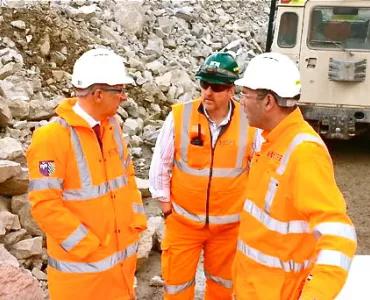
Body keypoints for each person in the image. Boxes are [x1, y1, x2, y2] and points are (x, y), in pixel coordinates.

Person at [232, 52, 357, 300]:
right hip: (254, 288)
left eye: (244, 94)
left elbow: (339, 236)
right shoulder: (272, 142)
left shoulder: (304, 154)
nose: (241, 102)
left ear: (268, 101)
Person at [26, 48, 147, 300]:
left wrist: (136, 219)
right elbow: (45, 205)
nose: (124, 97)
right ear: (99, 94)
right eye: (119, 90)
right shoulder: (52, 138)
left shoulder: (112, 127)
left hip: (120, 271)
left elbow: (127, 177)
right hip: (83, 280)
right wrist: (88, 247)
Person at [149, 52, 261, 300]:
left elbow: (262, 171)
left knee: (222, 288)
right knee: (176, 288)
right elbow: (160, 166)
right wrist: (167, 210)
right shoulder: (180, 116)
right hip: (183, 224)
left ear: (232, 90)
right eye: (204, 84)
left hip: (229, 228)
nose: (208, 91)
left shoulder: (250, 122)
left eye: (217, 86)